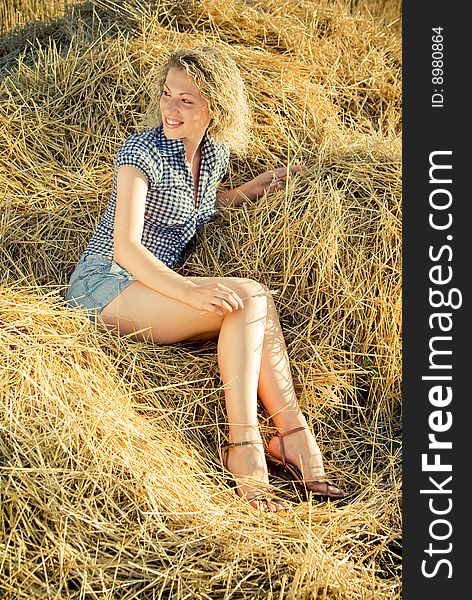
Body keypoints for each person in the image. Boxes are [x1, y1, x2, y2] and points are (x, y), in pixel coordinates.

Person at [66, 46, 345, 512]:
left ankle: (287, 436)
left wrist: (243, 193)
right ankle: (249, 446)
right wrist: (190, 288)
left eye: (186, 100)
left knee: (254, 300)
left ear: (215, 108)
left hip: (154, 288)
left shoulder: (214, 156)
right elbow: (126, 248)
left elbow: (195, 205)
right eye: (167, 94)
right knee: (247, 299)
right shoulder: (139, 153)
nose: (170, 108)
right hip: (107, 285)